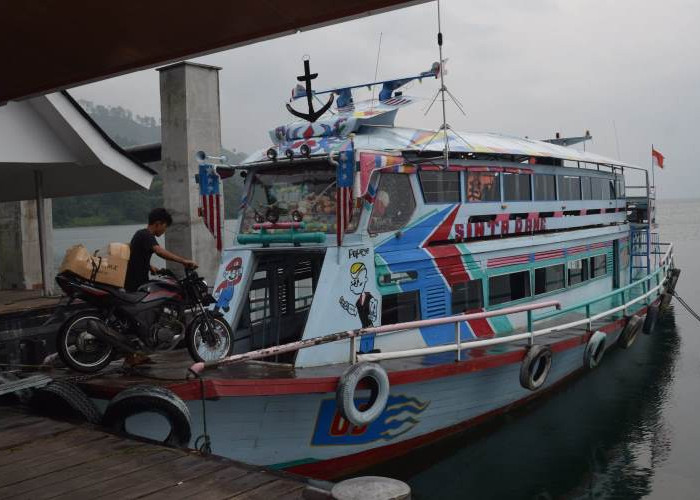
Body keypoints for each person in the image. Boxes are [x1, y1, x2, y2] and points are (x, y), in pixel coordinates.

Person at [123, 208, 198, 292]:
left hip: (135, 283)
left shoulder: (141, 234)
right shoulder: (146, 235)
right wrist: (183, 261)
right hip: (136, 285)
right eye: (165, 227)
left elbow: (136, 256)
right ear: (158, 224)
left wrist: (150, 267)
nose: (164, 231)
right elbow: (159, 251)